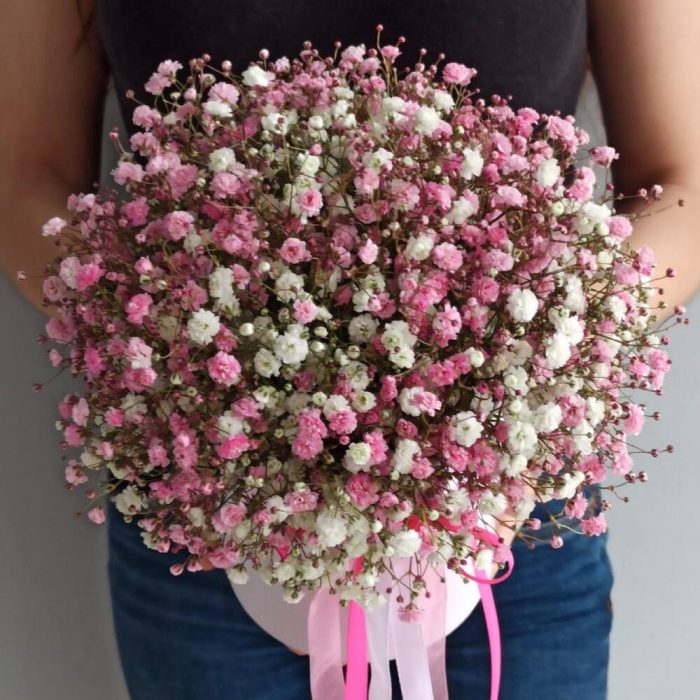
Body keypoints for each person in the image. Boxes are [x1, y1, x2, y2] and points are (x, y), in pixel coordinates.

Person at [1, 1, 698, 699]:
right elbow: (24, 182)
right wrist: (173, 345)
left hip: (511, 514)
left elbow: (685, 184)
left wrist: (536, 341)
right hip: (202, 506)